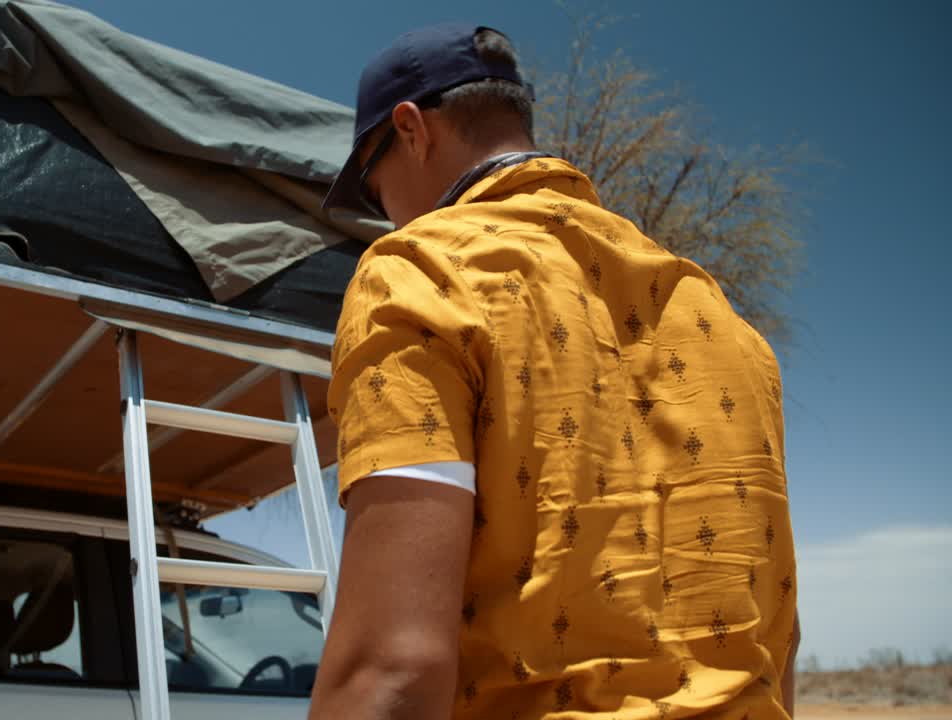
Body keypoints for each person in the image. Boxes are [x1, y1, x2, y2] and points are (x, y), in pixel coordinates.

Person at [310, 23, 799, 720]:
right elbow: (778, 642)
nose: (383, 213)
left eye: (371, 182)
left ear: (412, 129)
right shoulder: (724, 321)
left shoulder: (419, 271)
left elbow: (393, 668)